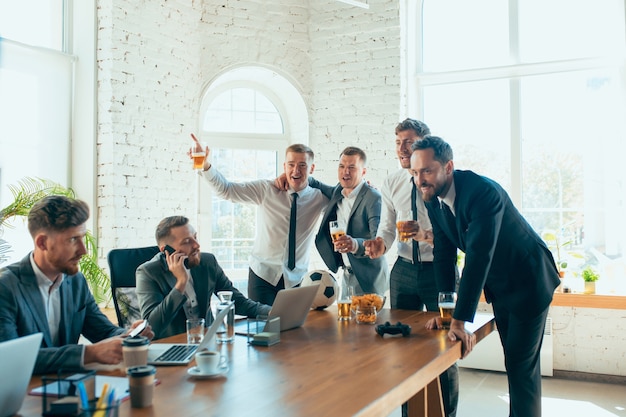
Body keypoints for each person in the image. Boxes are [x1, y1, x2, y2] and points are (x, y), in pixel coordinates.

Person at [410, 136, 560, 417]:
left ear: (448, 167)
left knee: (520, 366)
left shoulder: (482, 193)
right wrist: (445, 313)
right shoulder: (432, 196)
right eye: (415, 173)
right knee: (515, 362)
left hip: (530, 279)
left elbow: (478, 257)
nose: (420, 180)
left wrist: (459, 321)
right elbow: (443, 253)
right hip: (501, 286)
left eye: (427, 171)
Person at [363, 119, 459, 417]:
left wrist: (425, 235)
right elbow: (388, 228)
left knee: (445, 346)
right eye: (398, 142)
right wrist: (380, 244)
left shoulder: (439, 180)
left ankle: (447, 413)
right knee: (401, 343)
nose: (402, 148)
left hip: (437, 270)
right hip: (403, 270)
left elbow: (455, 232)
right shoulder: (392, 182)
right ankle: (410, 413)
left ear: (422, 145)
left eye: (408, 141)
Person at [0, 195, 153, 374]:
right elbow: (10, 360)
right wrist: (87, 353)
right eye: (73, 240)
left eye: (82, 238)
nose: (83, 250)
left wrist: (129, 336)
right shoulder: (6, 287)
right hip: (21, 396)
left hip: (69, 387)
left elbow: (102, 331)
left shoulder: (75, 281)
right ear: (42, 242)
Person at [192, 137, 329, 305]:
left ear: (312, 168)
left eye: (302, 165)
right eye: (291, 164)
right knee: (263, 328)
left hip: (297, 279)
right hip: (263, 275)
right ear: (284, 166)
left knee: (294, 329)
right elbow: (227, 190)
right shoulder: (266, 190)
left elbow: (346, 202)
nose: (296, 170)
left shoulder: (319, 198)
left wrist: (364, 188)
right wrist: (205, 165)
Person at [136, 216, 271, 340]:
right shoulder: (148, 273)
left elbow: (238, 302)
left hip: (207, 343)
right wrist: (181, 283)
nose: (196, 245)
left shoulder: (207, 262)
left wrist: (273, 312)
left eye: (195, 237)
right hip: (171, 347)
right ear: (166, 250)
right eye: (187, 241)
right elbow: (151, 326)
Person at [314, 146, 388, 295]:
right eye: (342, 166)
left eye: (352, 167)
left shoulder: (373, 198)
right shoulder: (337, 191)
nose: (345, 172)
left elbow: (378, 240)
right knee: (345, 317)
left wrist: (354, 244)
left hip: (368, 277)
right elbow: (314, 183)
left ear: (363, 172)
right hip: (347, 274)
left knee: (367, 319)